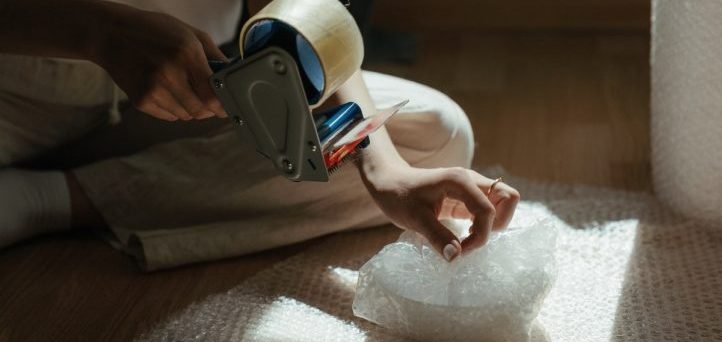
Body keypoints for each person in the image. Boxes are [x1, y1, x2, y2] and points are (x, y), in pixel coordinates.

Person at [0, 0, 520, 270]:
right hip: (15, 89)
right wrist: (98, 31)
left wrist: (383, 166)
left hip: (178, 98)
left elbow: (311, 22)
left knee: (435, 133)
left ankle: (49, 197)